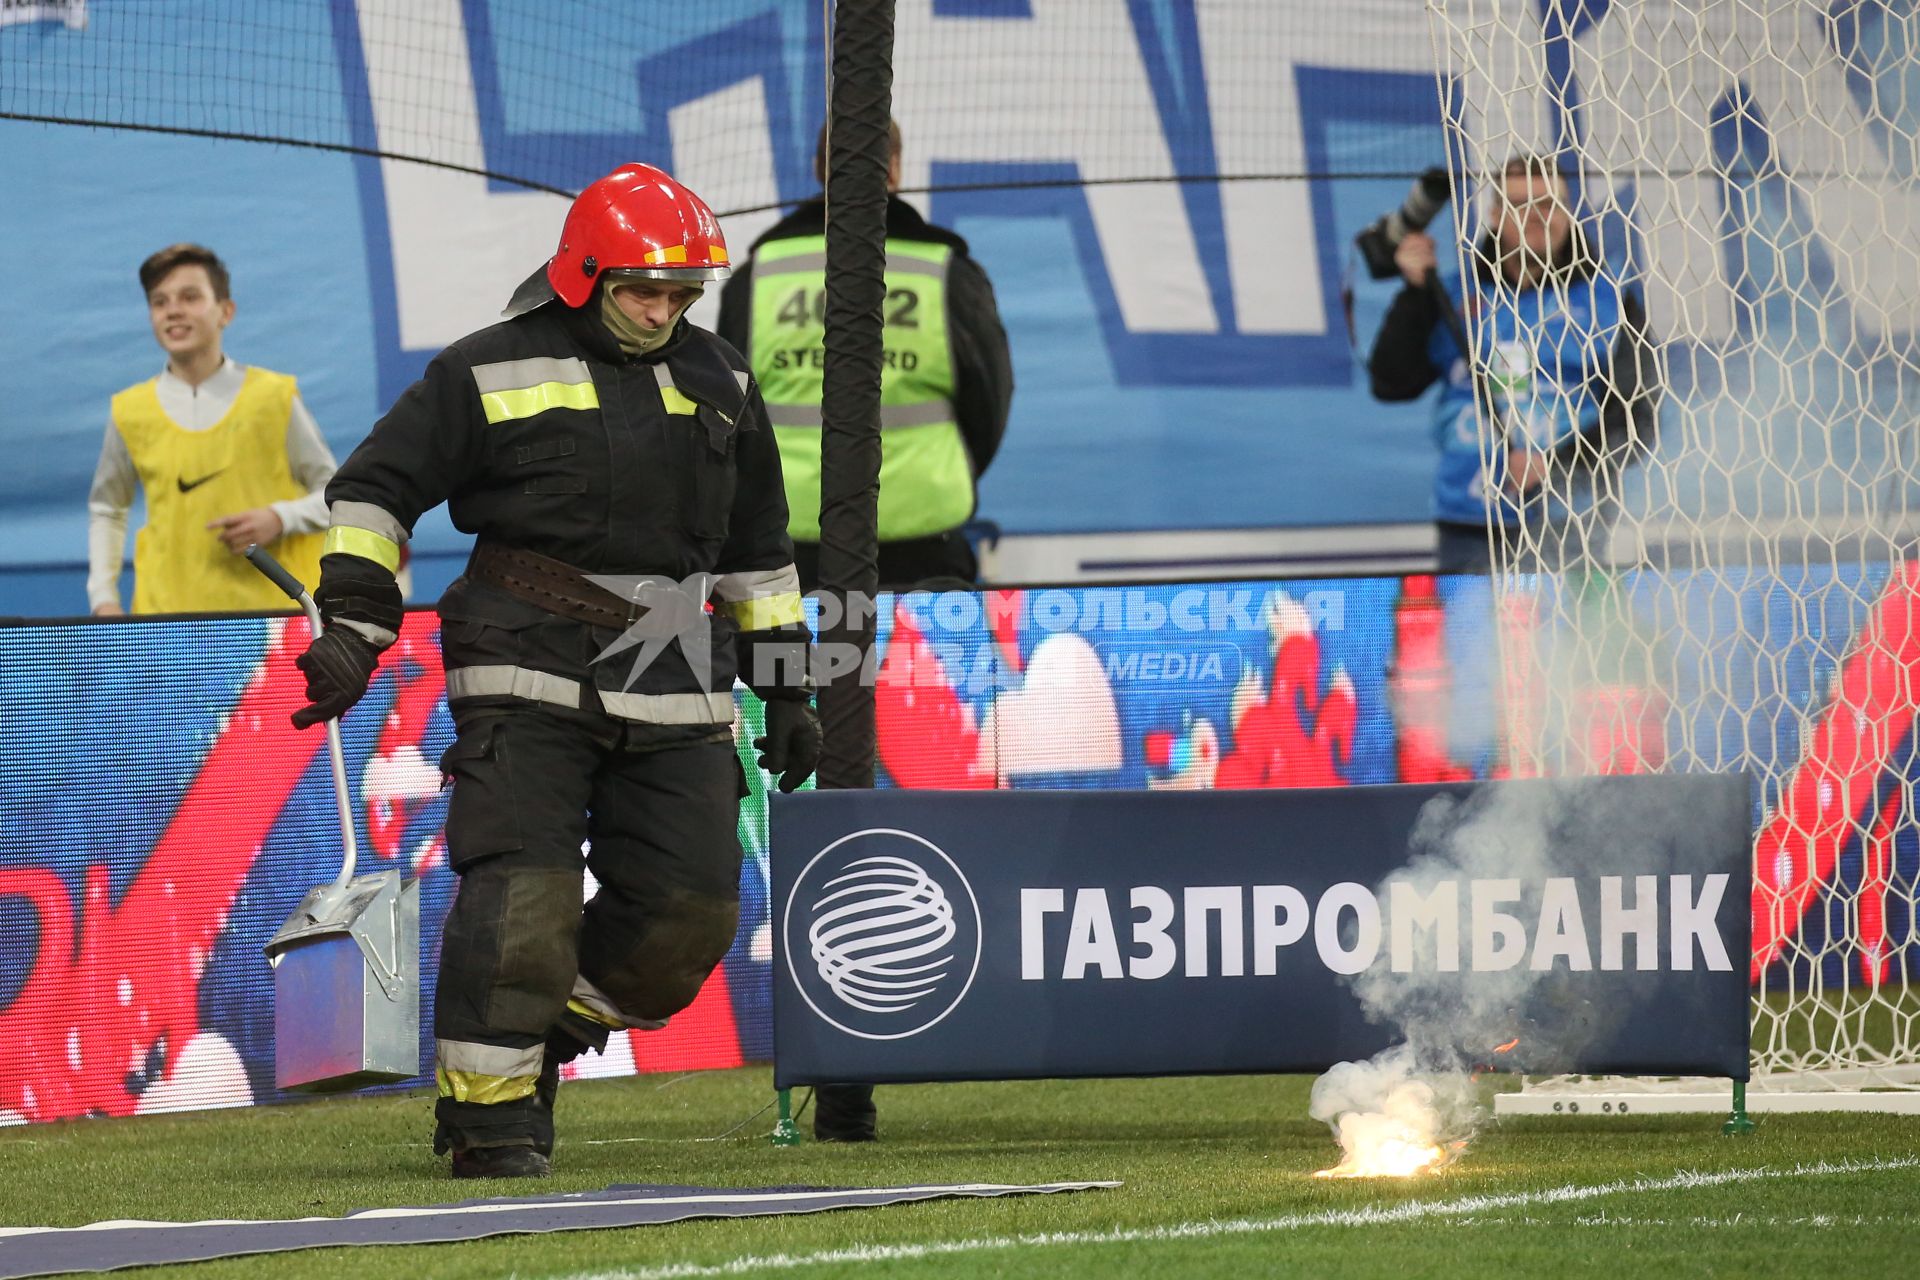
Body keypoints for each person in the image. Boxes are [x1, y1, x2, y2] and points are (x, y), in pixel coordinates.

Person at [289, 163, 821, 1179]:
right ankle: (489, 1120)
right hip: (524, 651)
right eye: (641, 291)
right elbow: (372, 492)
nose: (662, 310)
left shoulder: (725, 380)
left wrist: (790, 685)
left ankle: (535, 1045)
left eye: (679, 294)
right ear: (583, 274)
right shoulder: (484, 368)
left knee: (693, 911)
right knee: (522, 895)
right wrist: (356, 627)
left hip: (674, 660)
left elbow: (760, 549)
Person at [717, 118, 1013, 590]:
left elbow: (725, 413)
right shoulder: (946, 273)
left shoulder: (759, 277)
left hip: (790, 541)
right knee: (921, 667)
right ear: (893, 169)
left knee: (800, 667)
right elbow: (989, 404)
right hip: (924, 539)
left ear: (818, 169)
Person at [1367, 155, 1657, 573]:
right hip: (1468, 519)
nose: (1535, 217)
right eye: (1520, 204)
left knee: (1574, 638)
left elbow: (1638, 421)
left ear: (1569, 209)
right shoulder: (1452, 294)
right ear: (1495, 213)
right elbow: (1391, 384)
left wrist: (1556, 465)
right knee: (1474, 637)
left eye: (1548, 204)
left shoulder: (1611, 300)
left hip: (1570, 522)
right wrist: (1414, 294)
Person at [88, 244, 335, 615]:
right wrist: (103, 599)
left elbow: (336, 496)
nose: (173, 310)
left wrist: (280, 518)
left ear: (226, 311)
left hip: (272, 626)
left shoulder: (273, 397)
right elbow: (107, 509)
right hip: (166, 626)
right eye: (159, 301)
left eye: (190, 297)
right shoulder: (129, 410)